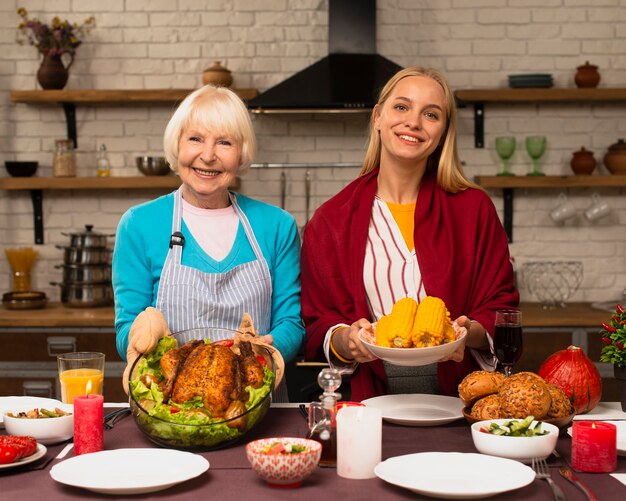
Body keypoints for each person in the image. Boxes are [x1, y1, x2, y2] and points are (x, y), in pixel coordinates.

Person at [300, 66, 519, 401]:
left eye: (430, 114)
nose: (413, 122)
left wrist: (466, 333)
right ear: (377, 117)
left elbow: (501, 307)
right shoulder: (331, 219)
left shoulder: (474, 209)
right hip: (369, 397)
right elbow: (316, 320)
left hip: (460, 398)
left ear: (444, 131)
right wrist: (347, 340)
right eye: (401, 107)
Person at [113, 84, 304, 397]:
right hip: (171, 407)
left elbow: (291, 323)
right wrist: (141, 336)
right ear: (177, 144)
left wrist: (267, 349)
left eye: (225, 142)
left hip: (253, 403)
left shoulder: (276, 226)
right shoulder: (139, 225)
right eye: (196, 138)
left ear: (241, 154)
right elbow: (125, 329)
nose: (208, 155)